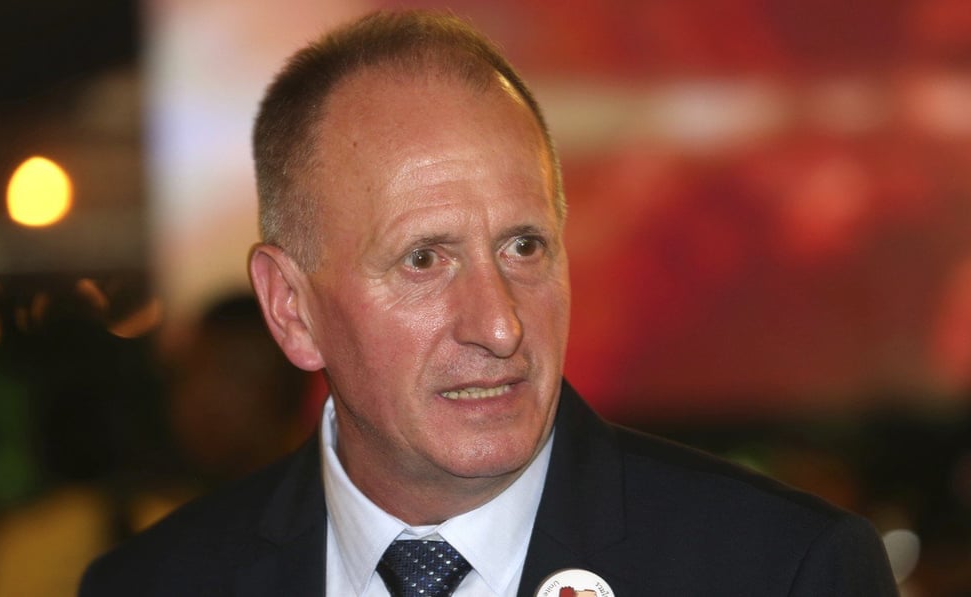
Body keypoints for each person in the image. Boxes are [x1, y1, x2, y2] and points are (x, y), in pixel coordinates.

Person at [79, 9, 898, 596]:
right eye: (424, 259)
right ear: (292, 309)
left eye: (524, 247)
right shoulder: (155, 583)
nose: (501, 324)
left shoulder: (780, 571)